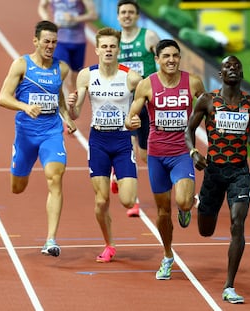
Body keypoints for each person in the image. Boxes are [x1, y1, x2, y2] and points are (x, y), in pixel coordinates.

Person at [185, 55, 250, 304]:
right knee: (206, 230)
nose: (232, 69)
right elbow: (189, 129)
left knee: (237, 223)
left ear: (242, 75)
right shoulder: (207, 100)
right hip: (213, 171)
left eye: (237, 67)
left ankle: (229, 285)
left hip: (239, 172)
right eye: (227, 67)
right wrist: (194, 152)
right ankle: (193, 205)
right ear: (220, 74)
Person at [125, 39, 205, 280]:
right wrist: (133, 122)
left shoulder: (192, 82)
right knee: (162, 212)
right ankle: (168, 256)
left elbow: (209, 109)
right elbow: (130, 117)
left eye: (175, 56)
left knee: (182, 201)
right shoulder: (146, 85)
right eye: (166, 56)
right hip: (157, 155)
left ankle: (186, 207)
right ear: (157, 59)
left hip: (182, 152)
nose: (171, 60)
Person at [0, 20, 77, 257]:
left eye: (54, 42)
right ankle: (22, 165)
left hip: (51, 133)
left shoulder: (61, 69)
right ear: (36, 41)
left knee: (55, 177)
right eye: (46, 41)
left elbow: (58, 99)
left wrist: (67, 117)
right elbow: (3, 97)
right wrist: (24, 106)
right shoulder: (22, 65)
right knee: (17, 188)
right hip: (25, 135)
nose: (50, 46)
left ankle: (51, 239)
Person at [67, 27, 142, 263]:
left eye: (112, 46)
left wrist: (136, 119)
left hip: (121, 141)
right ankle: (109, 245)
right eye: (104, 46)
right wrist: (71, 106)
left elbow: (142, 108)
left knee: (128, 201)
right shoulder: (86, 76)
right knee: (101, 202)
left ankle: (116, 178)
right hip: (98, 141)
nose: (108, 50)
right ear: (97, 49)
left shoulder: (131, 77)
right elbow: (77, 112)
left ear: (118, 49)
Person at [111, 0, 161, 217]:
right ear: (118, 16)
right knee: (128, 149)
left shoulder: (149, 37)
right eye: (123, 12)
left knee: (145, 154)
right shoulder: (113, 41)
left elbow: (164, 62)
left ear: (137, 15)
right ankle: (134, 200)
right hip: (123, 103)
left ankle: (116, 175)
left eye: (131, 12)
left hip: (147, 103)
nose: (127, 16)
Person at [38, 0, 98, 98]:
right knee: (61, 71)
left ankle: (72, 101)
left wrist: (75, 18)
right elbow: (42, 6)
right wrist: (47, 20)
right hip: (59, 40)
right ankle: (62, 99)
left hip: (78, 41)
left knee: (75, 78)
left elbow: (93, 15)